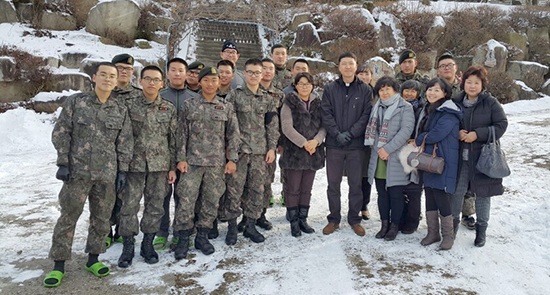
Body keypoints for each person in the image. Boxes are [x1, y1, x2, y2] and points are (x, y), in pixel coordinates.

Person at [44, 62, 133, 288]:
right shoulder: (77, 102)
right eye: (103, 75)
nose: (107, 79)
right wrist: (63, 162)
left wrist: (122, 170)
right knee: (69, 216)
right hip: (77, 172)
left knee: (101, 218)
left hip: (107, 175)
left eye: (112, 76)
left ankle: (93, 259)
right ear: (94, 77)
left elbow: (125, 142)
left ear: (116, 81)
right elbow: (62, 132)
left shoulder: (120, 109)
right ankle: (59, 264)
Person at [173, 67, 240, 259]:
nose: (210, 84)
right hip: (192, 163)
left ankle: (202, 236)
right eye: (206, 80)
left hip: (216, 163)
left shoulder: (225, 106)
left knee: (211, 201)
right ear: (200, 83)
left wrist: (232, 159)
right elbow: (181, 134)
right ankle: (183, 238)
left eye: (214, 80)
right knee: (186, 200)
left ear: (219, 83)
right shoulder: (189, 105)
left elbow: (233, 135)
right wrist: (181, 158)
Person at [117, 66, 178, 267]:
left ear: (162, 84)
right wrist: (122, 167)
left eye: (156, 80)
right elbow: (123, 138)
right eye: (148, 79)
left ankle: (148, 244)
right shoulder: (128, 105)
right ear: (140, 81)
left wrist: (172, 167)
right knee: (129, 206)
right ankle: (128, 246)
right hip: (134, 166)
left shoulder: (168, 108)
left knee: (155, 207)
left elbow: (173, 140)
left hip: (159, 167)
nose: (152, 83)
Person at [218, 58, 279, 244]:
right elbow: (226, 125)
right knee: (234, 191)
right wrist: (229, 151)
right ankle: (232, 227)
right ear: (244, 74)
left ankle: (251, 225)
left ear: (262, 75)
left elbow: (272, 126)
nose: (254, 76)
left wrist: (271, 148)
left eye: (257, 72)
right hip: (239, 152)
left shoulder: (267, 99)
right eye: (250, 72)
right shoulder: (234, 96)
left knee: (256, 190)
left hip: (260, 153)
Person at [451, 65, 508, 247]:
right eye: (469, 82)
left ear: (483, 84)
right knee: (456, 193)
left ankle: (481, 230)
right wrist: (457, 132)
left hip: (483, 159)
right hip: (460, 158)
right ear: (463, 83)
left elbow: (502, 124)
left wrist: (478, 134)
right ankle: (451, 229)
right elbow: (447, 122)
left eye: (477, 82)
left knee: (483, 195)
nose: (473, 86)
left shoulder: (490, 102)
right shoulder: (456, 101)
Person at [321, 52, 372, 236]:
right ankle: (334, 219)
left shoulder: (365, 90)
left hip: (356, 145)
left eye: (351, 63)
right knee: (333, 183)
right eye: (344, 64)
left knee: (355, 184)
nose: (348, 67)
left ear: (356, 66)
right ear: (339, 67)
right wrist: (336, 133)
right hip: (334, 144)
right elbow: (325, 113)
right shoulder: (330, 89)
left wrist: (350, 134)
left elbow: (366, 115)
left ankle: (354, 219)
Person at [154, 58, 200, 250]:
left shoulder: (194, 98)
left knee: (185, 195)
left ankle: (183, 230)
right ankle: (161, 231)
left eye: (181, 70)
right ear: (167, 73)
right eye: (173, 70)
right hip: (162, 153)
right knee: (161, 195)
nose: (177, 73)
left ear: (186, 73)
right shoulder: (159, 96)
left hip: (188, 155)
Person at [364, 76, 414, 241]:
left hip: (396, 157)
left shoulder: (405, 107)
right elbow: (373, 130)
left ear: (395, 90)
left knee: (396, 193)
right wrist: (380, 149)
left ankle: (394, 226)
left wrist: (388, 149)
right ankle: (384, 225)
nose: (384, 92)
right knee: (381, 193)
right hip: (378, 156)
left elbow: (406, 131)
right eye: (381, 89)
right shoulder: (376, 107)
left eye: (388, 89)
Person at [415, 78, 462, 250]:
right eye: (429, 89)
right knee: (429, 194)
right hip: (430, 159)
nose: (432, 93)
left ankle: (448, 235)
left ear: (445, 93)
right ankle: (432, 232)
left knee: (441, 196)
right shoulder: (431, 110)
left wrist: (420, 139)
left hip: (444, 160)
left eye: (437, 90)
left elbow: (436, 134)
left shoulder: (448, 112)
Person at [279, 72, 326, 237]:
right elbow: (286, 127)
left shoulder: (318, 103)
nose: (304, 86)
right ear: (295, 85)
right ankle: (293, 222)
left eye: (307, 83)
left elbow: (323, 126)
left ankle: (303, 219)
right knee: (293, 189)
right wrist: (304, 143)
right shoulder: (289, 102)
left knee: (307, 189)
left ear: (312, 85)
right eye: (300, 83)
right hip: (294, 152)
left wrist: (316, 141)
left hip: (314, 152)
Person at [436, 53, 476, 230]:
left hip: (465, 139)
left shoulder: (465, 88)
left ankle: (467, 213)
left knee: (466, 180)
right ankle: (445, 213)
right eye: (442, 65)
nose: (446, 68)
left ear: (456, 67)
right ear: (438, 70)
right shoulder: (435, 88)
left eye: (449, 65)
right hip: (444, 140)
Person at [107, 53, 141, 247]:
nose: (124, 72)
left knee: (127, 197)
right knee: (103, 197)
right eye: (120, 68)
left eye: (128, 69)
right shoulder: (104, 92)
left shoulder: (138, 94)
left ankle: (122, 229)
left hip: (130, 155)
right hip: (104, 154)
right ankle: (104, 232)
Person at [256, 57, 285, 229]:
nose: (267, 71)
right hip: (249, 145)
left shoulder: (279, 94)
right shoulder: (248, 91)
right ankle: (248, 216)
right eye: (264, 68)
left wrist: (277, 144)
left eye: (270, 69)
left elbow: (281, 121)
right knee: (249, 183)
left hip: (270, 146)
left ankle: (262, 215)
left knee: (267, 180)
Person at [399, 80, 424, 234]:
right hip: (398, 150)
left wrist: (417, 139)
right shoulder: (396, 106)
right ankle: (401, 217)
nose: (409, 93)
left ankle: (413, 221)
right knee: (400, 187)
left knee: (414, 188)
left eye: (413, 91)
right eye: (406, 90)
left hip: (415, 150)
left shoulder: (422, 109)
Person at [356, 63, 374, 220]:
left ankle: (364, 205)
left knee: (367, 175)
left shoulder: (377, 93)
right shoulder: (352, 92)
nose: (364, 77)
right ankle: (355, 204)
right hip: (355, 138)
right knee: (355, 174)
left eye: (366, 74)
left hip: (372, 140)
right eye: (360, 74)